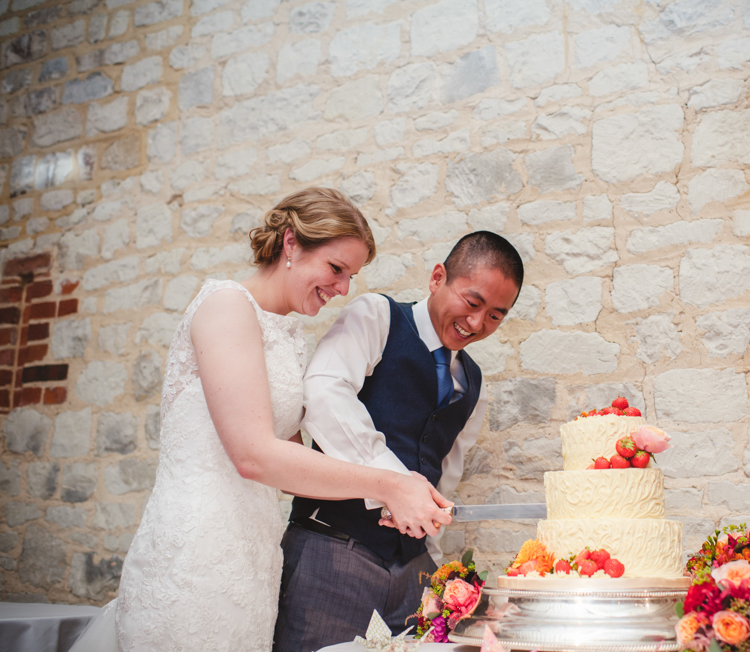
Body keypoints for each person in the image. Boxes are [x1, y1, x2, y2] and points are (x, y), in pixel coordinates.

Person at [69, 188, 451, 652]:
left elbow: (290, 466)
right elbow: (252, 456)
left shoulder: (288, 333)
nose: (344, 288)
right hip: (199, 551)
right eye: (336, 268)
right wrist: (388, 484)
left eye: (351, 275)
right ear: (291, 243)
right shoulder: (226, 306)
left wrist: (397, 500)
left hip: (256, 560)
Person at [273, 231, 524, 651]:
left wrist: (431, 552)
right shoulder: (377, 316)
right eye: (472, 302)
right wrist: (395, 486)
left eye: (496, 316)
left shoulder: (474, 381)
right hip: (331, 549)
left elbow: (447, 470)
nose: (477, 323)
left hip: (415, 573)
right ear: (438, 277)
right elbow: (323, 395)